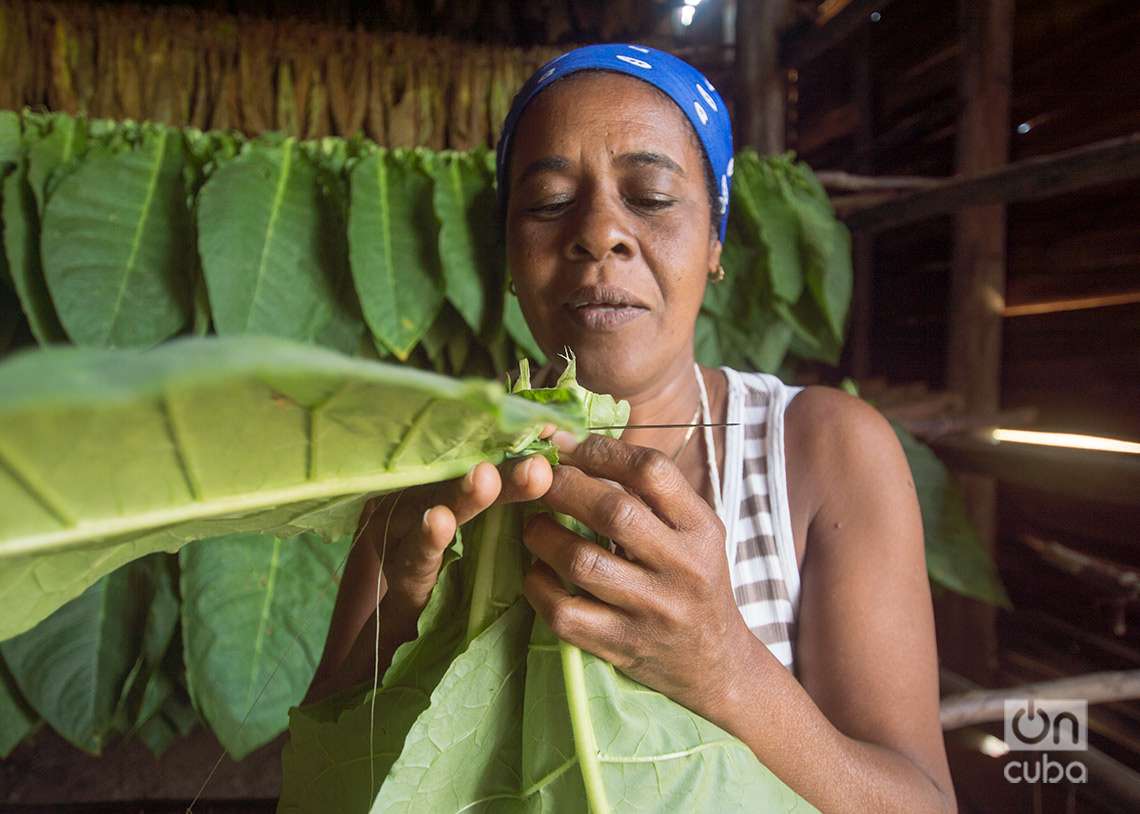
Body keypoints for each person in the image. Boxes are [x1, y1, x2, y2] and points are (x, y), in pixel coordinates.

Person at [308, 44, 956, 813]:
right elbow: (320, 778)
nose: (600, 234)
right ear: (510, 254)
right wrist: (403, 628)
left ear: (715, 242)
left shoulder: (821, 452)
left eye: (649, 197)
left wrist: (726, 669)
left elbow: (921, 802)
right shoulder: (441, 465)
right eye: (549, 203)